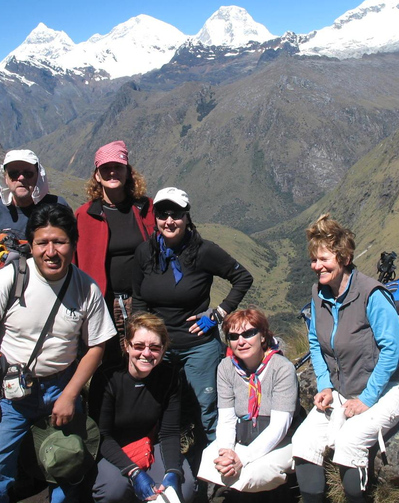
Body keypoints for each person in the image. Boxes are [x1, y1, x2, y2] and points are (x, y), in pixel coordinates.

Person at [0, 203, 116, 503]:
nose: (51, 251)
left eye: (59, 242)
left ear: (73, 245)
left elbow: (97, 345)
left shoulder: (86, 289)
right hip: (11, 394)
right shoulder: (9, 280)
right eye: (42, 243)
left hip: (61, 386)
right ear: (31, 245)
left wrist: (70, 394)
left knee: (70, 467)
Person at [291, 214, 399, 503]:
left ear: (344, 257)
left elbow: (393, 350)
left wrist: (368, 398)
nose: (316, 266)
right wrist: (324, 385)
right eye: (313, 259)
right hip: (342, 389)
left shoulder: (371, 294)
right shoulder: (318, 293)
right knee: (304, 440)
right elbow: (314, 341)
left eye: (323, 259)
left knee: (349, 442)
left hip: (387, 388)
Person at [131, 187, 253, 443]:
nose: (169, 221)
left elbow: (242, 277)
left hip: (198, 347)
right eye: (163, 214)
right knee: (157, 407)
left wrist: (218, 314)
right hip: (157, 349)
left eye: (175, 214)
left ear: (187, 217)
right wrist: (141, 338)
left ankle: (220, 466)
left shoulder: (204, 251)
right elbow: (139, 298)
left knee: (207, 409)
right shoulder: (145, 252)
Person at [91, 312, 195, 503]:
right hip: (115, 448)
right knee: (113, 490)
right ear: (126, 346)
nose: (146, 353)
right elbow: (102, 435)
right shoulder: (108, 377)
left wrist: (172, 471)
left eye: (154, 347)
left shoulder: (169, 377)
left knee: (184, 488)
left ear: (163, 350)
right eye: (139, 346)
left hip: (151, 444)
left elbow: (169, 432)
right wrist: (133, 471)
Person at [197, 308, 299, 496]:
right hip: (243, 436)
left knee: (255, 472)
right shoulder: (226, 368)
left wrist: (242, 458)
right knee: (209, 459)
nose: (241, 341)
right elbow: (226, 419)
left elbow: (279, 427)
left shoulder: (281, 368)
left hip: (279, 441)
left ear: (262, 337)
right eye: (234, 336)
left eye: (249, 333)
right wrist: (227, 452)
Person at [74, 140, 155, 370]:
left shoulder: (146, 208)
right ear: (97, 176)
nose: (112, 172)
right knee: (108, 364)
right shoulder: (85, 216)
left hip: (142, 301)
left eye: (118, 167)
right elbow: (75, 263)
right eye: (105, 168)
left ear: (128, 172)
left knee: (145, 359)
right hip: (104, 303)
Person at [0, 149, 70, 240]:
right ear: (5, 178)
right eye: (14, 174)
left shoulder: (58, 206)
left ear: (38, 176)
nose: (21, 178)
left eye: (28, 173)